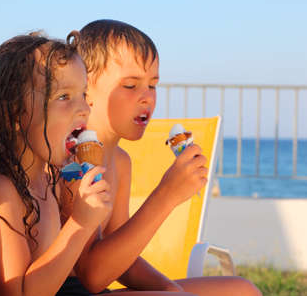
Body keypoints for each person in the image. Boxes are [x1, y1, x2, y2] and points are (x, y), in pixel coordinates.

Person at [62, 19, 262, 296]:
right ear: (86, 89)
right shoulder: (72, 161)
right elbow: (92, 276)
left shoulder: (119, 161)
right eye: (131, 86)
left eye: (153, 85)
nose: (147, 98)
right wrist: (166, 196)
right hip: (70, 291)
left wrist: (171, 287)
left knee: (240, 289)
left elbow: (122, 260)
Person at [0, 33, 113, 296]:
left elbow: (73, 268)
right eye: (64, 97)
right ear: (14, 112)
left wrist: (83, 210)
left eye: (83, 94)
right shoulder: (0, 191)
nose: (84, 108)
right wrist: (79, 224)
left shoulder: (52, 178)